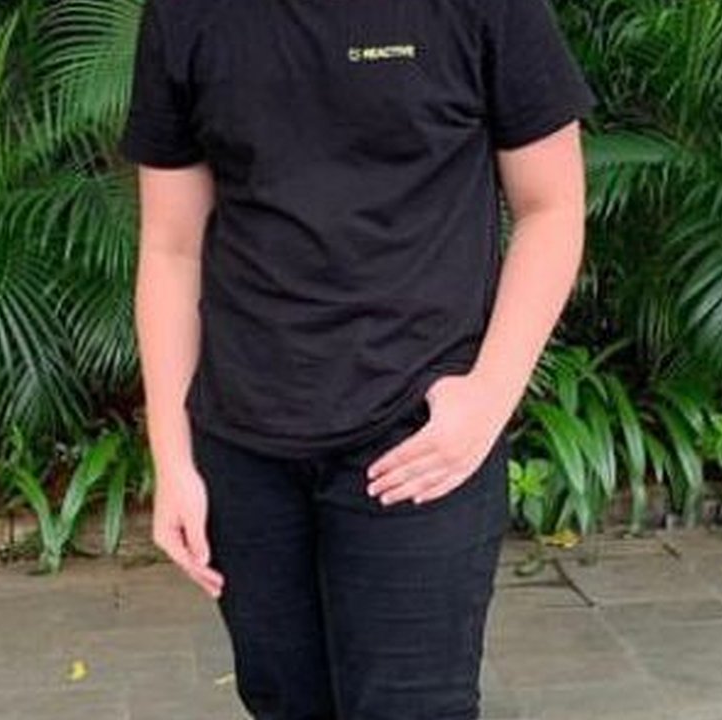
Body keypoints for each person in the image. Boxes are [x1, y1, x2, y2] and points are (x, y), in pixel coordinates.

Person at [120, 0, 597, 717]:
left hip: (418, 443)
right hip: (244, 448)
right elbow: (170, 245)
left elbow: (551, 207)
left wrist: (489, 396)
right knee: (284, 701)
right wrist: (173, 458)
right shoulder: (188, 14)